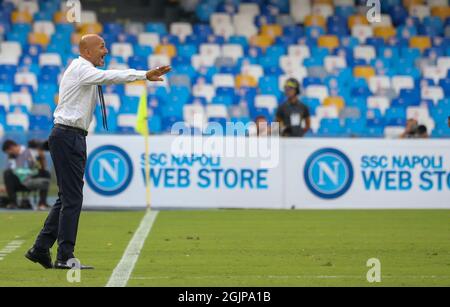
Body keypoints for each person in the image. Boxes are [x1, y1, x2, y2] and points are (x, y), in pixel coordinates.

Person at [25, 34, 171, 270]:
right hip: (68, 136)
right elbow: (109, 77)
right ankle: (64, 256)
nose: (107, 50)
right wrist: (144, 74)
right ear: (87, 51)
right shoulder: (81, 68)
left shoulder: (83, 69)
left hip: (70, 136)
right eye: (102, 46)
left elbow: (105, 76)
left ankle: (41, 249)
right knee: (73, 198)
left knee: (67, 197)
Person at [2, 139, 51, 210]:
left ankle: (42, 203)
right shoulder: (11, 157)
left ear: (12, 147)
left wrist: (42, 157)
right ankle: (13, 203)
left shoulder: (31, 151)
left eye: (9, 152)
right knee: (7, 173)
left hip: (33, 179)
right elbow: (12, 170)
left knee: (46, 173)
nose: (9, 153)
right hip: (20, 181)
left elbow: (40, 166)